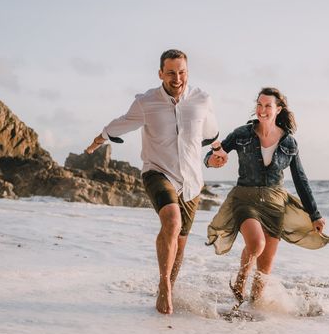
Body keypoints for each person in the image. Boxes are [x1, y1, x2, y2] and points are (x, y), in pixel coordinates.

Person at [86, 49, 225, 315]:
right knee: (172, 222)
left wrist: (217, 153)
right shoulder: (146, 102)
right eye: (171, 72)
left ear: (187, 72)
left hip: (192, 181)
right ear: (160, 73)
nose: (177, 78)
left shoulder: (202, 100)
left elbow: (211, 134)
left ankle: (170, 286)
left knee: (180, 241)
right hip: (157, 171)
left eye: (182, 72)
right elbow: (122, 123)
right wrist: (98, 140)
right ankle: (163, 285)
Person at [205, 87, 329, 307]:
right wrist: (213, 159)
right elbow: (214, 155)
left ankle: (253, 310)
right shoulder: (241, 134)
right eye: (259, 104)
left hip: (275, 204)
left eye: (268, 105)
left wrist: (314, 214)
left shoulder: (289, 142)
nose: (262, 110)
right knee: (256, 244)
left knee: (265, 268)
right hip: (245, 198)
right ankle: (240, 281)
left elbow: (300, 180)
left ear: (278, 109)